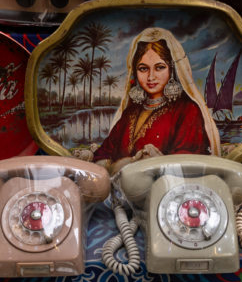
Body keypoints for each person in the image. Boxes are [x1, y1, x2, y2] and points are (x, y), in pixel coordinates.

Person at [92, 27, 220, 174]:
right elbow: (106, 151)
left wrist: (157, 161)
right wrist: (101, 161)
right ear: (135, 71)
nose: (151, 77)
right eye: (143, 69)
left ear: (172, 70)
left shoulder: (187, 111)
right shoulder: (131, 111)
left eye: (159, 68)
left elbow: (191, 160)